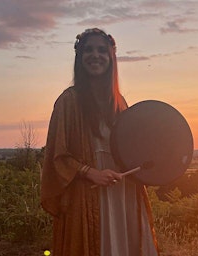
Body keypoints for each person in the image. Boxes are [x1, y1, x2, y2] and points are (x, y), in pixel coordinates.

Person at [41, 28, 159, 256]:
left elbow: (134, 145)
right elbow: (58, 155)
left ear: (111, 58)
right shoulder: (68, 101)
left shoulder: (119, 102)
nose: (95, 55)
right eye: (89, 50)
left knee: (125, 244)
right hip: (87, 192)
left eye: (102, 50)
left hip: (123, 188)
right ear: (80, 56)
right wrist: (91, 173)